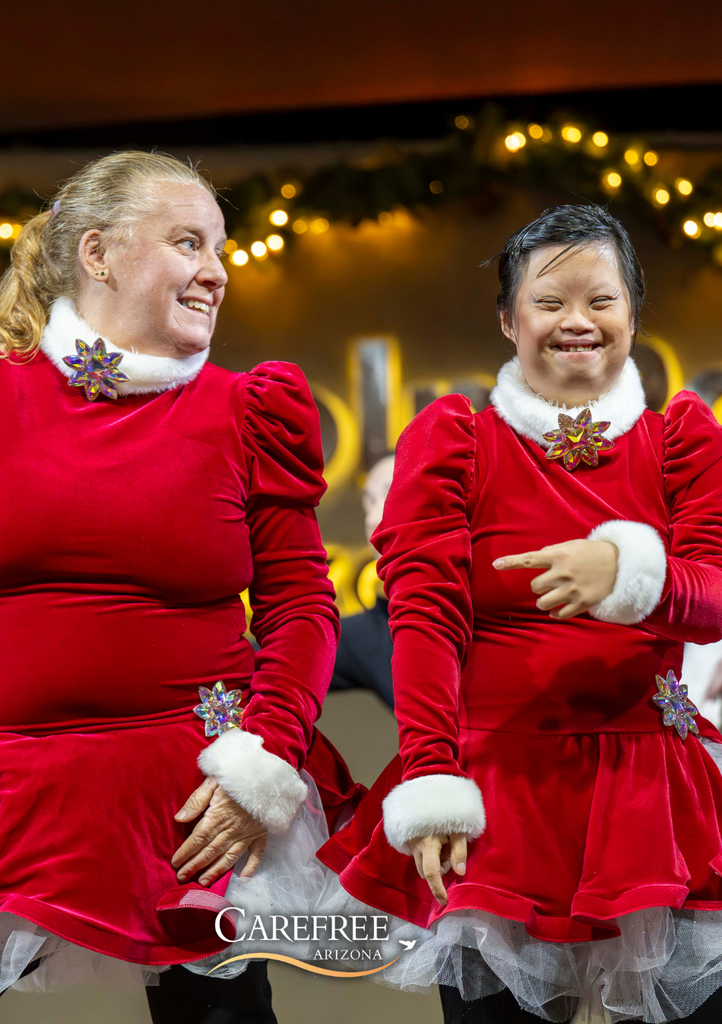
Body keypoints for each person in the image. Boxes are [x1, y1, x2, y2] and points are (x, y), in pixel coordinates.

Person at [0, 151, 361, 1023]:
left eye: (220, 248)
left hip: (195, 798)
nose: (216, 272)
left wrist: (260, 760)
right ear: (98, 253)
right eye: (188, 243)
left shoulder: (245, 412)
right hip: (1, 788)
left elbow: (302, 606)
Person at [317, 205, 722, 1023]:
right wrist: (430, 774)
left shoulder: (679, 438)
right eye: (549, 301)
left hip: (650, 793)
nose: (577, 321)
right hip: (499, 792)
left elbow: (712, 598)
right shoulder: (457, 442)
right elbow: (423, 622)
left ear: (632, 315)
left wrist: (631, 574)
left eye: (600, 300)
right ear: (508, 320)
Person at [329, 453, 395, 708]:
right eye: (369, 503)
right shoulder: (374, 633)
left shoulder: (513, 591)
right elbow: (236, 669)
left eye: (392, 493)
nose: (373, 518)